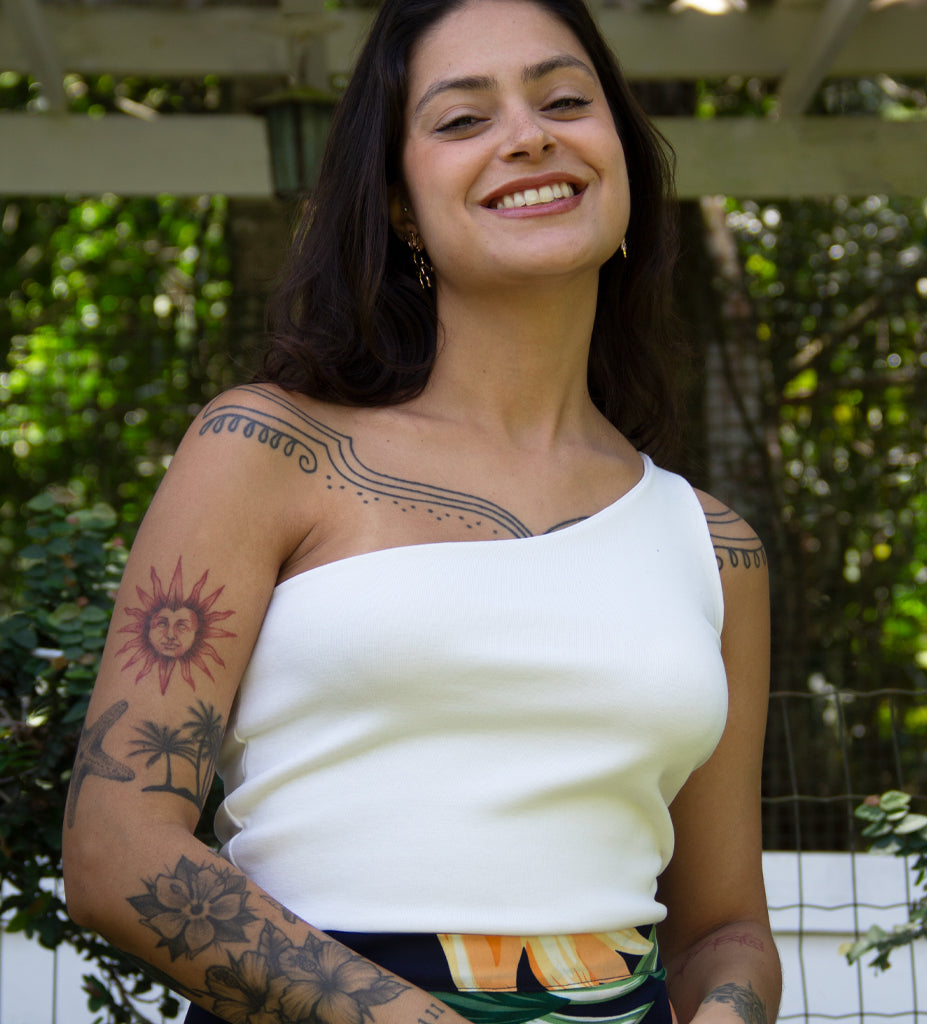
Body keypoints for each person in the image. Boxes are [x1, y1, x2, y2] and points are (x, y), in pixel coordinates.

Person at [62, 2, 782, 1023]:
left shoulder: (713, 550)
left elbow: (722, 927)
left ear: (620, 153)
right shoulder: (265, 450)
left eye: (564, 101)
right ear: (400, 205)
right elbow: (115, 851)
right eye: (462, 119)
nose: (527, 136)